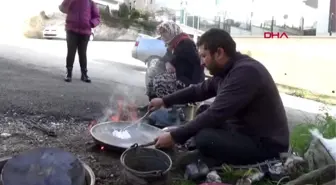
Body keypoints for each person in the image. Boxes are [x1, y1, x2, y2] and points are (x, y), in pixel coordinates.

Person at [149, 28, 289, 166]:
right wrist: (164, 101)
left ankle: (212, 160)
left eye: (204, 56)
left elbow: (215, 114)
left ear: (219, 53)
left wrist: (174, 137)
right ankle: (210, 154)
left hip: (267, 145)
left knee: (205, 137)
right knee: (203, 111)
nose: (201, 63)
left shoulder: (246, 73)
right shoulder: (227, 70)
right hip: (245, 130)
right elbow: (198, 91)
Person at [146, 21, 204, 100]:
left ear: (172, 31)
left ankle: (167, 106)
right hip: (180, 76)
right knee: (152, 74)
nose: (162, 35)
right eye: (161, 33)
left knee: (158, 82)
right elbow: (165, 58)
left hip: (189, 81)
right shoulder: (173, 44)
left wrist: (195, 85)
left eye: (165, 32)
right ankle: (153, 104)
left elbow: (197, 64)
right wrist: (167, 63)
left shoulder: (186, 43)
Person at [59, 0, 100, 83]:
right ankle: (69, 73)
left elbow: (97, 17)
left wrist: (91, 23)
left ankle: (84, 74)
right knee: (71, 52)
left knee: (83, 53)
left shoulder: (90, 2)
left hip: (85, 32)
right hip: (71, 30)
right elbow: (62, 8)